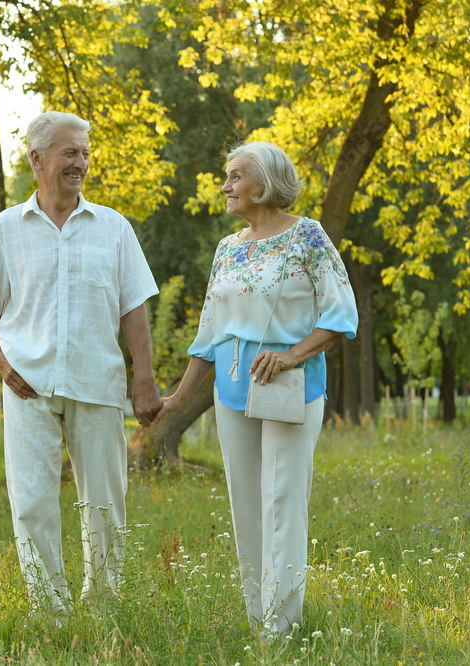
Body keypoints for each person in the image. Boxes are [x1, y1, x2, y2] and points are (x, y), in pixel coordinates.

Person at [157, 141, 358, 635]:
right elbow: (208, 332)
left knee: (282, 500)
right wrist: (178, 399)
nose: (225, 186)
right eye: (226, 176)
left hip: (289, 386)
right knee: (246, 503)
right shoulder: (227, 247)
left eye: (235, 176)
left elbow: (341, 315)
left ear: (264, 183)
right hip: (230, 389)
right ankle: (257, 620)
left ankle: (282, 626)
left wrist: (290, 355)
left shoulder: (309, 237)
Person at [0, 111, 163, 617]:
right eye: (69, 153)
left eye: (84, 152)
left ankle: (101, 605)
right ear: (37, 159)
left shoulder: (114, 228)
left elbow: (134, 308)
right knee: (32, 500)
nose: (80, 163)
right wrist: (0, 361)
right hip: (26, 381)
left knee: (104, 502)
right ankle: (49, 607)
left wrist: (144, 378)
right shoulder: (5, 230)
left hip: (96, 379)